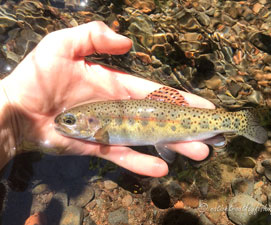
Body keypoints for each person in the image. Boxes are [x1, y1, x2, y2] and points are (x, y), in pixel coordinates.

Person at [0, 21, 215, 177]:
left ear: (91, 121)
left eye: (70, 121)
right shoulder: (95, 124)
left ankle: (226, 127)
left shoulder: (98, 127)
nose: (64, 123)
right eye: (69, 120)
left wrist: (12, 111)